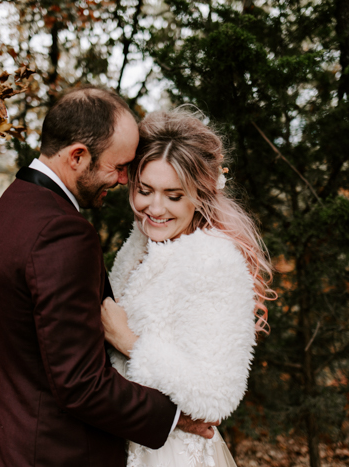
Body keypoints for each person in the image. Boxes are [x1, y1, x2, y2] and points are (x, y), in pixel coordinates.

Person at [0, 88, 214, 467]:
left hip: (6, 445)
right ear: (78, 156)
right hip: (55, 453)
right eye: (117, 167)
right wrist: (174, 416)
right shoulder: (63, 233)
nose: (121, 181)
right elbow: (81, 384)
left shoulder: (6, 210)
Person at [101, 109, 275, 467]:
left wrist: (129, 342)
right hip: (126, 439)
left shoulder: (213, 261)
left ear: (200, 195)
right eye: (144, 190)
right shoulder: (140, 245)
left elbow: (216, 393)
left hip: (173, 454)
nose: (155, 208)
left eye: (174, 195)